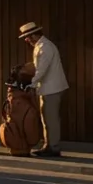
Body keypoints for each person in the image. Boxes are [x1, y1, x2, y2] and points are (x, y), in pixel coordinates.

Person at [20, 22, 68, 157]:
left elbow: (42, 70)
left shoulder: (45, 48)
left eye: (28, 36)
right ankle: (49, 145)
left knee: (50, 119)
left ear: (35, 35)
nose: (26, 39)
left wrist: (31, 84)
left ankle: (53, 147)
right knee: (46, 118)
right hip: (48, 87)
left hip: (52, 88)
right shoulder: (41, 46)